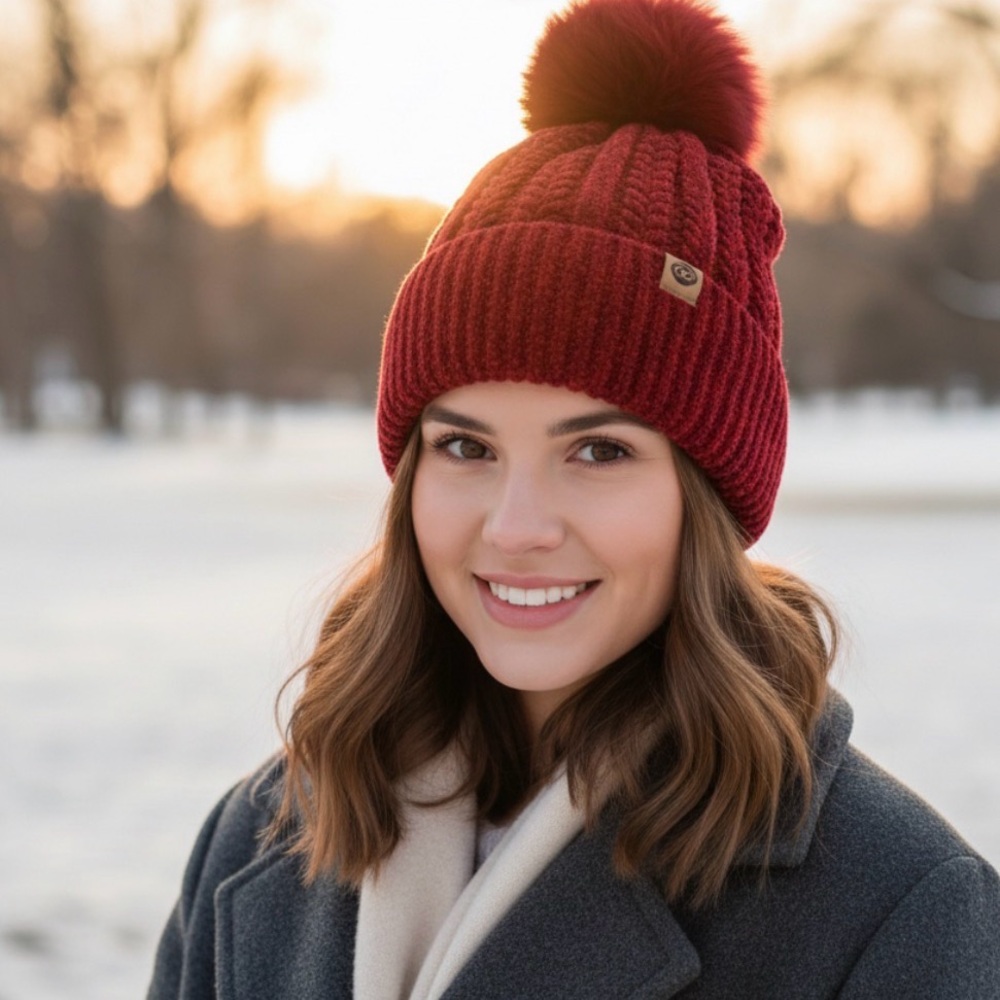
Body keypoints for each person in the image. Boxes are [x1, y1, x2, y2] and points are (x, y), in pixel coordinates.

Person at [147, 0, 1000, 997]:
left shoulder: (898, 910)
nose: (514, 526)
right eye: (464, 445)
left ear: (704, 495)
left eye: (596, 450)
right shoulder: (258, 840)